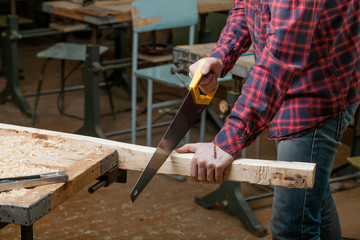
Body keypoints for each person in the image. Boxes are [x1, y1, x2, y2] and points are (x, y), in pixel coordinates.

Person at [176, 0, 360, 239]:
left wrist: (227, 141)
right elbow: (247, 7)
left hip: (315, 95)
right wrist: (221, 56)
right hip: (288, 84)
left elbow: (280, 57)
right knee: (312, 199)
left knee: (291, 227)